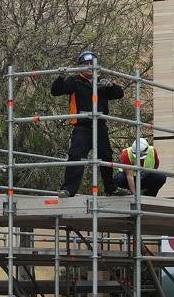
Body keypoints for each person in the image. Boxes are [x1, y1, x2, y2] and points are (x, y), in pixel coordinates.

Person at [51, 51, 126, 197]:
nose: (89, 67)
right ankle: (68, 189)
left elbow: (119, 94)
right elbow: (56, 91)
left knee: (106, 156)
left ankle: (111, 188)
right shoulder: (74, 81)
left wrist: (111, 85)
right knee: (76, 156)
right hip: (82, 126)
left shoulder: (101, 82)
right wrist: (61, 77)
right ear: (80, 67)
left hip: (100, 126)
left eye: (92, 64)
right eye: (85, 64)